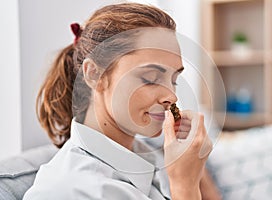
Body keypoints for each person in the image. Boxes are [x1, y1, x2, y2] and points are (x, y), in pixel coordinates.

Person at [23, 2, 221, 200]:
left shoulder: (152, 156)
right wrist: (184, 185)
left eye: (174, 80)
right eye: (151, 78)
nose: (172, 96)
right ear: (94, 74)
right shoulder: (68, 191)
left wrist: (194, 168)